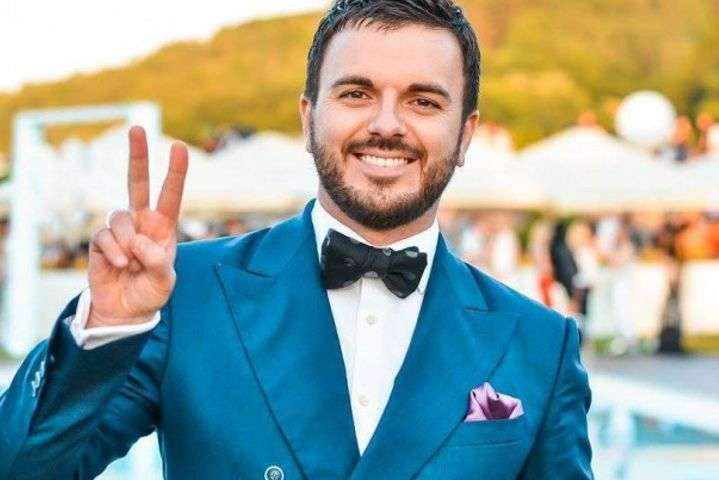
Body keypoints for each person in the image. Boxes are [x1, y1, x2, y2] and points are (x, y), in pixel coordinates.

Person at [0, 1, 592, 478]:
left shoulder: (540, 343)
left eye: (423, 101)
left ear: (464, 136)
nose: (387, 124)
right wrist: (107, 327)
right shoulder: (187, 294)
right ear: (308, 119)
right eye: (356, 94)